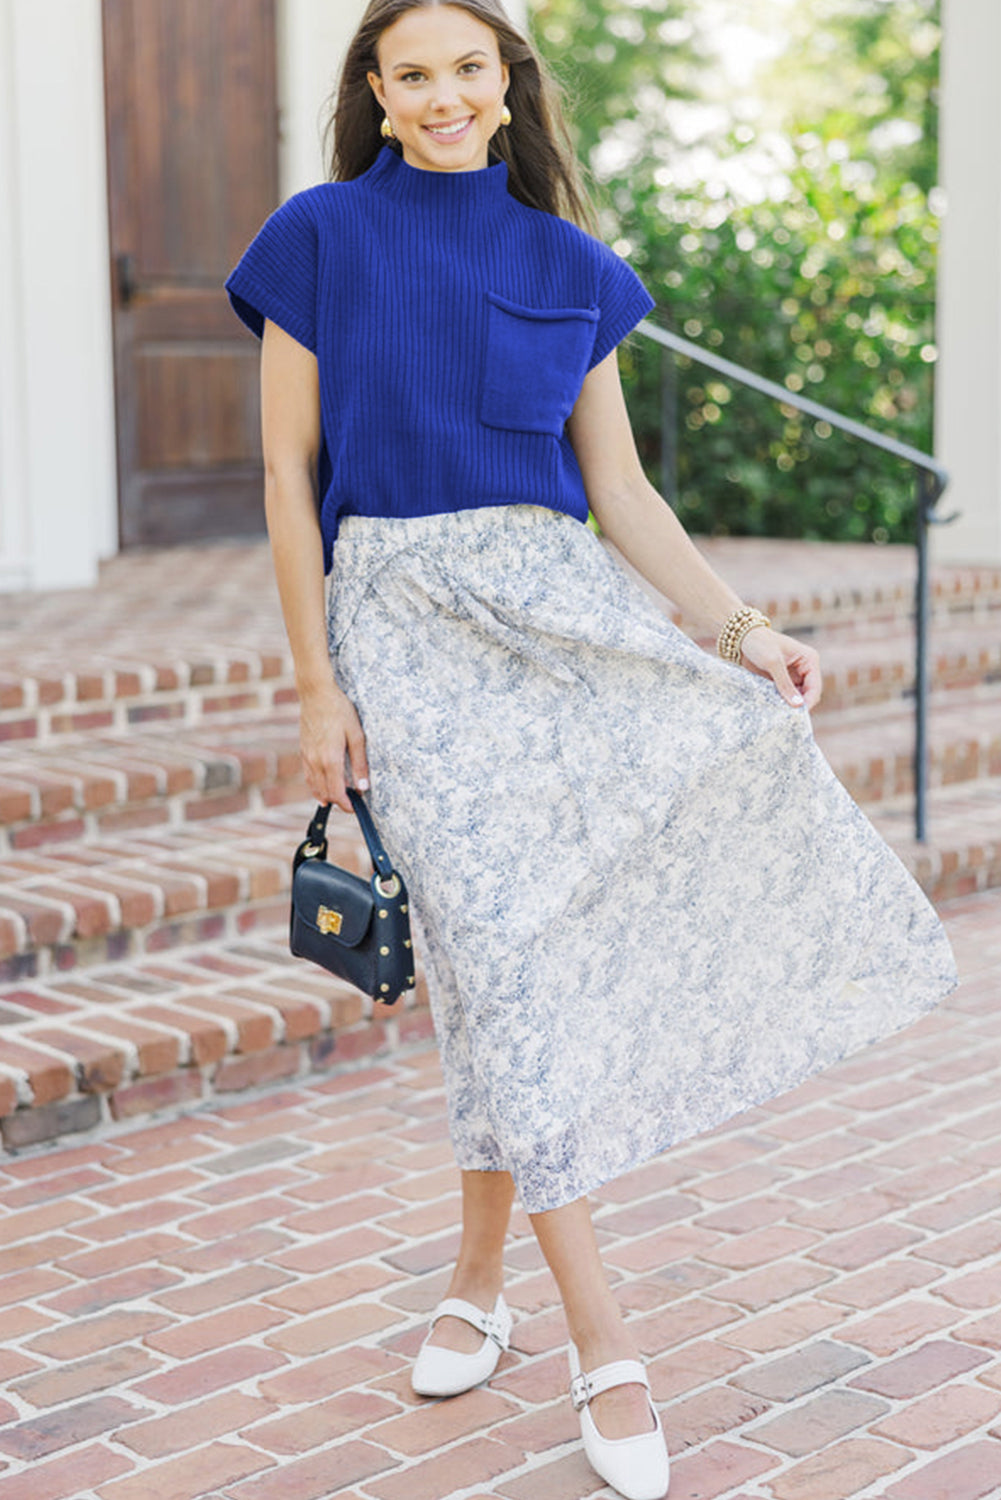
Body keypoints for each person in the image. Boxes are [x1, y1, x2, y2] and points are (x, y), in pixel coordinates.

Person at [226, 3, 958, 1496]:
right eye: (412, 74)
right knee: (498, 953)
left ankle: (473, 1284)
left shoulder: (573, 266)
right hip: (402, 629)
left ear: (507, 89)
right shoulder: (316, 239)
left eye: (468, 69)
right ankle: (604, 1347)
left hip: (562, 624)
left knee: (509, 971)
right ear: (378, 93)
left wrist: (740, 631)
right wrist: (313, 688)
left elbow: (618, 494)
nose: (442, 95)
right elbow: (288, 482)